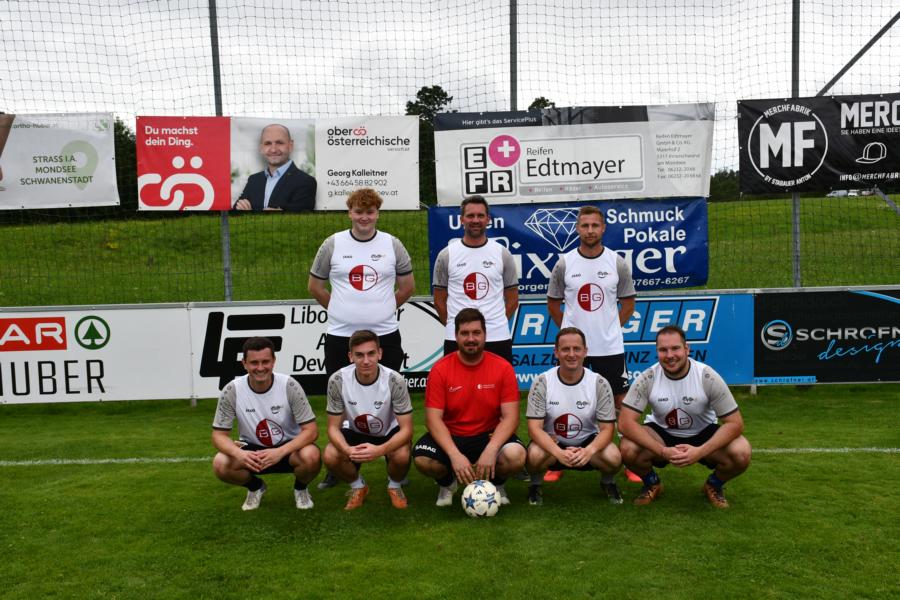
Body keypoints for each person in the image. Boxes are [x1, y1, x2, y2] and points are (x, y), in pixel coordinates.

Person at [309, 187, 415, 489]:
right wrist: (340, 311)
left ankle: (396, 461)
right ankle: (341, 464)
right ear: (349, 213)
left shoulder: (393, 245)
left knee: (389, 400)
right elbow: (315, 287)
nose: (364, 217)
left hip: (385, 335)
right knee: (341, 402)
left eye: (370, 212)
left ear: (377, 213)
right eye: (359, 212)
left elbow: (407, 287)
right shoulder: (333, 244)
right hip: (340, 336)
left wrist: (384, 310)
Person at [546, 204, 637, 483]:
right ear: (577, 228)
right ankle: (555, 460)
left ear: (603, 228)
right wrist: (569, 335)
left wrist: (609, 329)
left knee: (621, 402)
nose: (589, 230)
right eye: (584, 225)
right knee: (561, 400)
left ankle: (631, 459)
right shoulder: (564, 263)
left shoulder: (616, 262)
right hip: (574, 352)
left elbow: (628, 303)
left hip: (610, 348)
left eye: (594, 225)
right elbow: (553, 304)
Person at [618, 325, 752, 508]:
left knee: (741, 451)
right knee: (627, 448)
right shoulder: (648, 377)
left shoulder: (707, 376)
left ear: (687, 349)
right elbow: (625, 423)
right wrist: (662, 451)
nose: (670, 355)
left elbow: (735, 424)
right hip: (662, 434)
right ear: (657, 352)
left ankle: (713, 485)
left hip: (703, 433)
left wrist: (700, 451)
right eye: (663, 350)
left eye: (675, 348)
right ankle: (652, 483)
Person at [412, 308, 526, 506]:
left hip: (489, 434)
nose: (471, 339)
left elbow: (511, 417)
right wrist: (454, 455)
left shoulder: (503, 367)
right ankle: (448, 484)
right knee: (423, 459)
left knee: (516, 456)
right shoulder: (440, 369)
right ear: (456, 336)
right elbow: (432, 419)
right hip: (452, 435)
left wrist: (492, 449)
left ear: (485, 335)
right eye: (465, 333)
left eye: (476, 333)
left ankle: (496, 484)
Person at [211, 337, 321, 510]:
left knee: (311, 456)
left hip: (288, 449)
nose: (260, 367)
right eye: (254, 363)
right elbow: (218, 435)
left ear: (273, 361)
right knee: (220, 463)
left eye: (265, 362)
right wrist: (239, 454)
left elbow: (311, 431)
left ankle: (301, 489)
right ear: (244, 363)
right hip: (252, 452)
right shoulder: (232, 390)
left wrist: (280, 452)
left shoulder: (289, 385)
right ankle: (256, 487)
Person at [525, 327, 623, 506]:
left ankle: (608, 482)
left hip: (587, 442)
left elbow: (607, 430)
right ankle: (535, 484)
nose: (571, 354)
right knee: (534, 455)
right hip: (553, 443)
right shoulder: (542, 381)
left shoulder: (599, 383)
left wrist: (588, 451)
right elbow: (534, 429)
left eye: (577, 349)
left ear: (585, 352)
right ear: (556, 352)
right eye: (565, 349)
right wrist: (558, 453)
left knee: (614, 457)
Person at [323, 330, 414, 510]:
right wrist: (347, 450)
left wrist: (380, 450)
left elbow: (407, 430)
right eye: (359, 355)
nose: (366, 361)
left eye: (371, 353)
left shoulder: (394, 380)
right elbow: (333, 428)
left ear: (379, 353)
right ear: (350, 356)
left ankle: (394, 486)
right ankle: (358, 486)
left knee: (402, 454)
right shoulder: (338, 380)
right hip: (355, 430)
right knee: (330, 455)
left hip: (388, 431)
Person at [432, 195, 518, 363]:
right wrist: (456, 327)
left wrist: (495, 323)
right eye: (470, 216)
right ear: (461, 219)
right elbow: (439, 301)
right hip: (457, 339)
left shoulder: (503, 253)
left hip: (497, 336)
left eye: (480, 215)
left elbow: (513, 299)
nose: (475, 220)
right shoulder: (446, 255)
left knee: (498, 380)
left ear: (488, 219)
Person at [233, 123, 316, 211]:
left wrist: (250, 213)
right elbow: (235, 212)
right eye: (268, 143)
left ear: (290, 146)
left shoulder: (305, 182)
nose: (273, 150)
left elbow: (298, 218)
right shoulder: (254, 180)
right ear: (261, 148)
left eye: (279, 143)